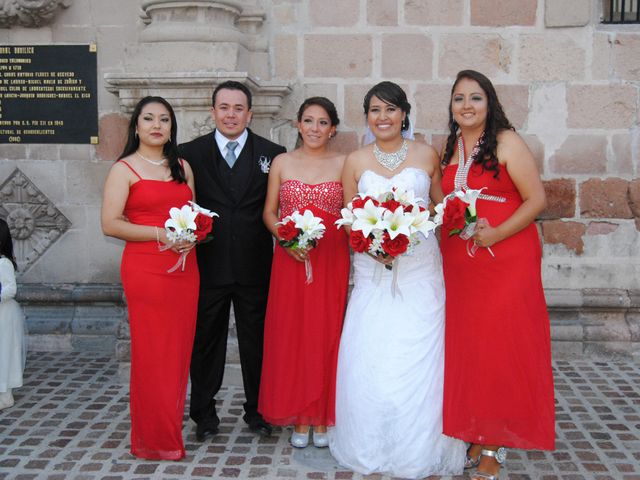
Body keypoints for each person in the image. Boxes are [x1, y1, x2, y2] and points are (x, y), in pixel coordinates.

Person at [329, 81, 466, 478]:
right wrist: (373, 245)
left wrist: (416, 233)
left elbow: (441, 208)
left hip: (420, 270)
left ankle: (419, 446)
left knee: (416, 355)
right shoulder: (355, 160)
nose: (383, 117)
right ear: (367, 116)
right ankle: (370, 439)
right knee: (371, 353)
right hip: (373, 270)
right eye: (375, 110)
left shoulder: (426, 155)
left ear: (404, 113)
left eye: (390, 109)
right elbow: (350, 216)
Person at [440, 70, 555, 480]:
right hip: (462, 264)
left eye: (475, 98)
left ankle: (494, 443)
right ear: (451, 106)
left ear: (490, 103)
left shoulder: (506, 141)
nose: (466, 106)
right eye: (459, 99)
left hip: (506, 259)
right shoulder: (450, 146)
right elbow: (446, 199)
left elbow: (536, 198)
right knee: (471, 350)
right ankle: (475, 428)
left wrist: (497, 233)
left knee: (500, 349)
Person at [179, 81, 286, 441]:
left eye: (238, 108)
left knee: (257, 344)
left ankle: (259, 411)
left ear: (249, 114)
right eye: (224, 107)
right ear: (213, 112)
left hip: (255, 266)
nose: (230, 114)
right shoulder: (188, 153)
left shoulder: (273, 153)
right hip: (207, 265)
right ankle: (204, 415)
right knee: (206, 342)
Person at [101, 96, 198, 460]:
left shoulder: (183, 167)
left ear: (172, 128)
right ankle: (154, 439)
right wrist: (161, 234)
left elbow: (194, 215)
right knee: (152, 352)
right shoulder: (123, 169)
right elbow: (110, 224)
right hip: (145, 270)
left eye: (165, 119)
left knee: (176, 352)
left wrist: (191, 237)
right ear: (136, 126)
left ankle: (169, 428)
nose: (157, 125)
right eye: (149, 118)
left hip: (186, 270)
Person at [258, 97, 349, 448]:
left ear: (333, 128)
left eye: (322, 122)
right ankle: (298, 414)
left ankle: (321, 415)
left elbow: (350, 211)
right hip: (289, 258)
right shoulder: (282, 162)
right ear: (298, 124)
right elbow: (269, 211)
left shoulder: (344, 163)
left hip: (330, 258)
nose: (314, 128)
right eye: (308, 121)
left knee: (325, 332)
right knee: (293, 333)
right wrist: (286, 239)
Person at [0, 219, 26, 411]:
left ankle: (5, 393)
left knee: (5, 351)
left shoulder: (3, 262)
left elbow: (10, 289)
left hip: (4, 314)